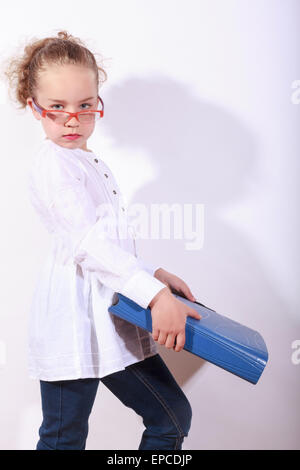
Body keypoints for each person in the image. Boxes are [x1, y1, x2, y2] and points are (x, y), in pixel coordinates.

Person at [2, 30, 201, 450]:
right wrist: (153, 296)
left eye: (84, 106)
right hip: (72, 324)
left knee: (171, 417)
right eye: (57, 107)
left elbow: (108, 243)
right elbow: (87, 245)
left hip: (109, 317)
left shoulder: (86, 161)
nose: (72, 118)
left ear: (97, 103)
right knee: (63, 439)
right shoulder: (53, 165)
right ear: (33, 106)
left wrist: (154, 275)